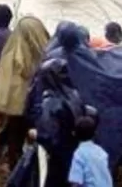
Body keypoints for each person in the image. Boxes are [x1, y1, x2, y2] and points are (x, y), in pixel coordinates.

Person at [0, 16, 50, 170]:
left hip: (16, 106)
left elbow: (3, 83)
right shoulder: (49, 54)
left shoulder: (10, 53)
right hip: (40, 106)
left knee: (14, 137)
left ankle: (15, 166)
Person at [28, 58, 86, 187]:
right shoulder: (75, 95)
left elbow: (49, 137)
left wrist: (35, 134)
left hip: (54, 156)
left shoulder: (51, 103)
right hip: (72, 149)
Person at [68, 115, 113, 187]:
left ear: (74, 134)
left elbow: (76, 182)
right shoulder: (101, 151)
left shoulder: (79, 154)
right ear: (95, 134)